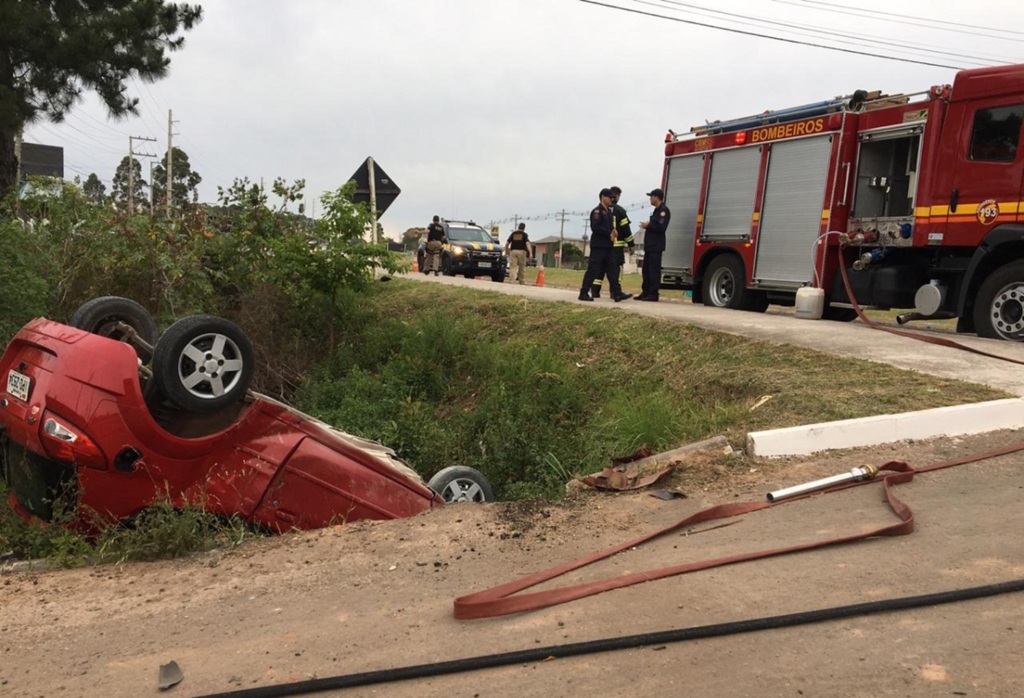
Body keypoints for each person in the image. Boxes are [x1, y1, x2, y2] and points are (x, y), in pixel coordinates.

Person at [579, 189, 632, 303]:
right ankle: (583, 293)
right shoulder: (597, 211)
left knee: (613, 269)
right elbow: (596, 227)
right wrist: (609, 233)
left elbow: (610, 228)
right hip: (599, 246)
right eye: (609, 197)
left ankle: (617, 293)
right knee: (593, 270)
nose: (612, 199)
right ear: (603, 197)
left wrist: (614, 232)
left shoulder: (609, 212)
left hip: (608, 246)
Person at [638, 188, 670, 301]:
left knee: (653, 271)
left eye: (651, 196)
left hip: (656, 246)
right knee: (646, 270)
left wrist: (648, 226)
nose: (650, 199)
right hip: (650, 246)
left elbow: (661, 228)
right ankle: (645, 292)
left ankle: (653, 294)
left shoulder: (663, 211)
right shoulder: (656, 211)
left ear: (657, 197)